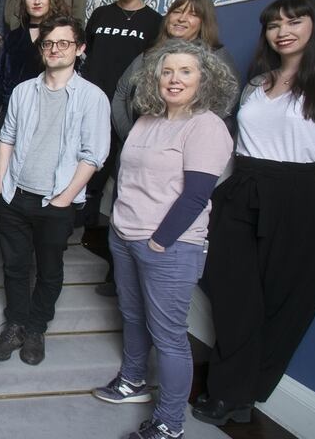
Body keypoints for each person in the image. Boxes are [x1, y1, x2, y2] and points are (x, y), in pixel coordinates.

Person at [193, 0, 315, 427]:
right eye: (274, 24)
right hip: (243, 188)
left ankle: (238, 395)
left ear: (314, 27)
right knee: (233, 293)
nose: (283, 31)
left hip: (302, 197)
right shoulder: (258, 83)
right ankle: (231, 390)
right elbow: (238, 144)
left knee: (279, 303)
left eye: (294, 21)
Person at [92, 40, 236, 439]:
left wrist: (159, 241)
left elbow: (195, 196)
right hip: (125, 235)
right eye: (166, 71)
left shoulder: (206, 125)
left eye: (185, 71)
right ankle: (133, 380)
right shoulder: (148, 118)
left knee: (169, 336)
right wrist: (121, 229)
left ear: (204, 79)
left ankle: (170, 423)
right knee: (132, 315)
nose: (174, 79)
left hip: (169, 245)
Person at [0, 16, 110, 366]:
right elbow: (6, 137)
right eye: (49, 44)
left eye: (64, 43)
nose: (55, 49)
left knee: (50, 269)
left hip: (56, 201)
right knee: (15, 267)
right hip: (15, 196)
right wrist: (1, 187)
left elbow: (94, 154)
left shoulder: (92, 97)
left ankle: (37, 327)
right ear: (42, 49)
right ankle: (16, 324)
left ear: (80, 49)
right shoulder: (24, 91)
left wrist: (64, 199)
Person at [0, 0, 70, 256]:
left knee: (27, 172)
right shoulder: (15, 35)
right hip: (10, 109)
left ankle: (12, 231)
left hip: (47, 116)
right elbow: (0, 77)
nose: (36, 1)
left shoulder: (62, 37)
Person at [81, 0, 163, 230]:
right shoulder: (101, 14)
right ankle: (77, 211)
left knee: (115, 159)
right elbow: (88, 52)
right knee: (84, 152)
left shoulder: (154, 21)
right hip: (93, 95)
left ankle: (95, 222)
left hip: (127, 104)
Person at [112, 0, 238, 141]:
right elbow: (120, 93)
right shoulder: (147, 56)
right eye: (177, 11)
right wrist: (130, 135)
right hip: (138, 144)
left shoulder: (216, 58)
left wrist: (172, 142)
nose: (181, 18)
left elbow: (222, 108)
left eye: (193, 14)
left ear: (204, 22)